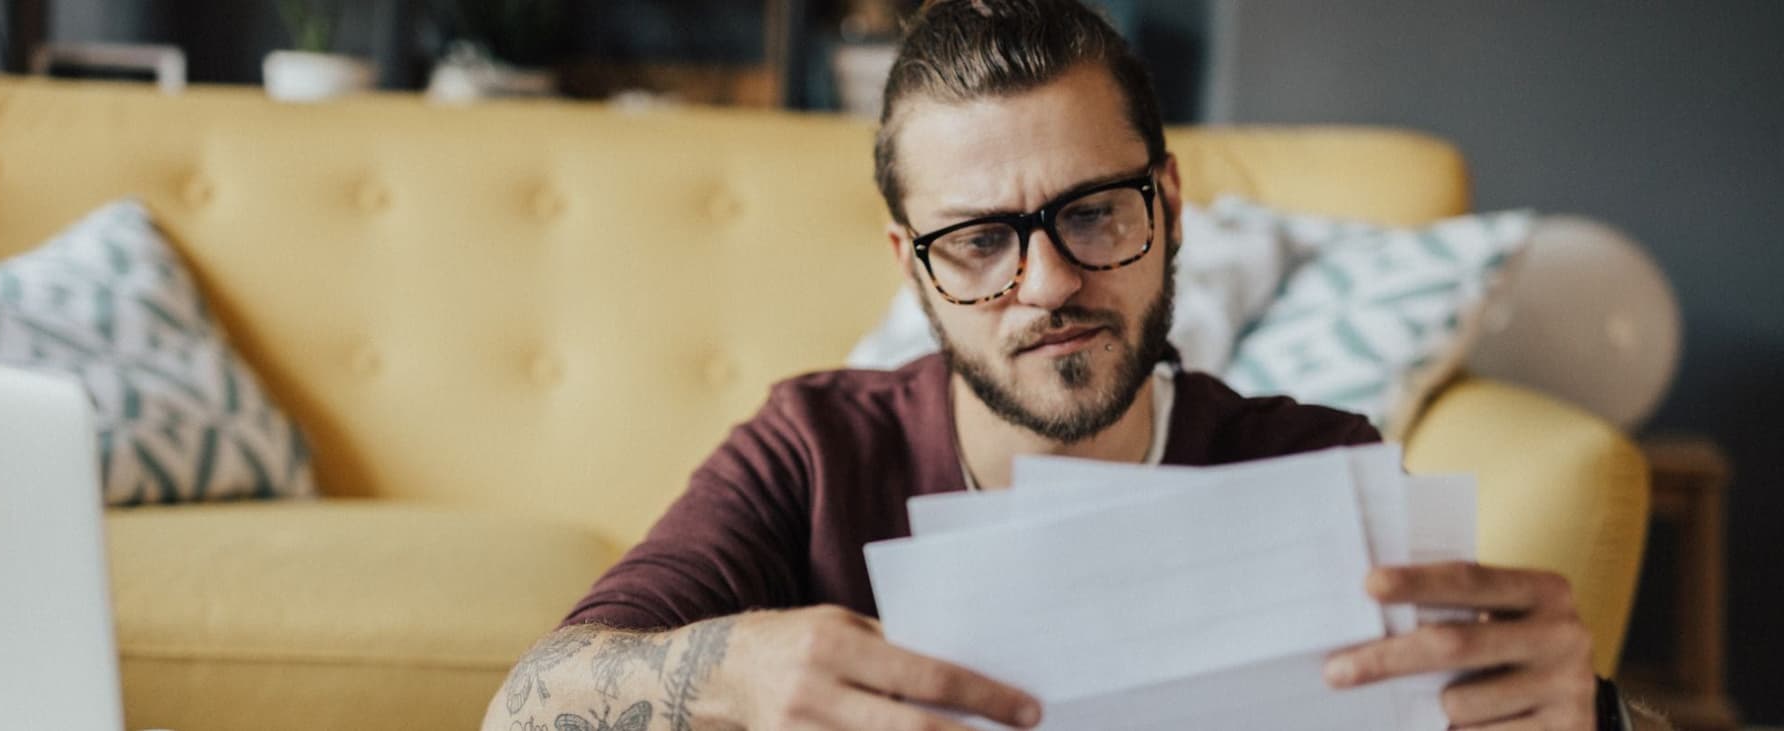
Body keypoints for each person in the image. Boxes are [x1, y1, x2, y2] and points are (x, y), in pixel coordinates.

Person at [482, 1, 1665, 729]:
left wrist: (1591, 712)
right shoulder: (812, 448)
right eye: (980, 240)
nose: (1047, 283)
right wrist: (733, 670)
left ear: (1172, 201)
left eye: (1094, 213)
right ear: (913, 264)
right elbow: (523, 705)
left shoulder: (1311, 464)